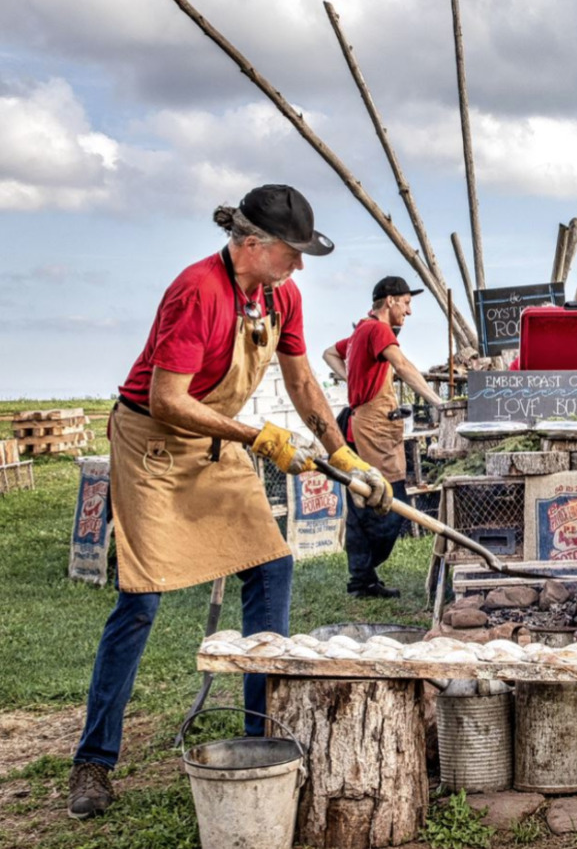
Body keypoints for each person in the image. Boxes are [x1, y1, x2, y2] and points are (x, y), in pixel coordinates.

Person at [67, 185, 393, 819]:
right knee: (141, 598)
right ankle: (93, 761)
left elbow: (301, 380)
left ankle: (257, 737)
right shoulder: (198, 291)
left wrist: (345, 450)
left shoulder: (282, 296)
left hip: (213, 442)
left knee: (271, 565)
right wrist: (260, 436)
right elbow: (166, 399)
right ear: (252, 245)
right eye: (291, 252)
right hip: (154, 446)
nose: (300, 266)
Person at [322, 276, 445, 597]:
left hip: (362, 422)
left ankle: (361, 579)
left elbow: (328, 353)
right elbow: (402, 366)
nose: (409, 311)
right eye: (406, 303)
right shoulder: (377, 330)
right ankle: (363, 572)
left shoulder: (359, 330)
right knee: (389, 502)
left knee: (362, 497)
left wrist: (351, 378)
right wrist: (438, 402)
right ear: (389, 300)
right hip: (372, 427)